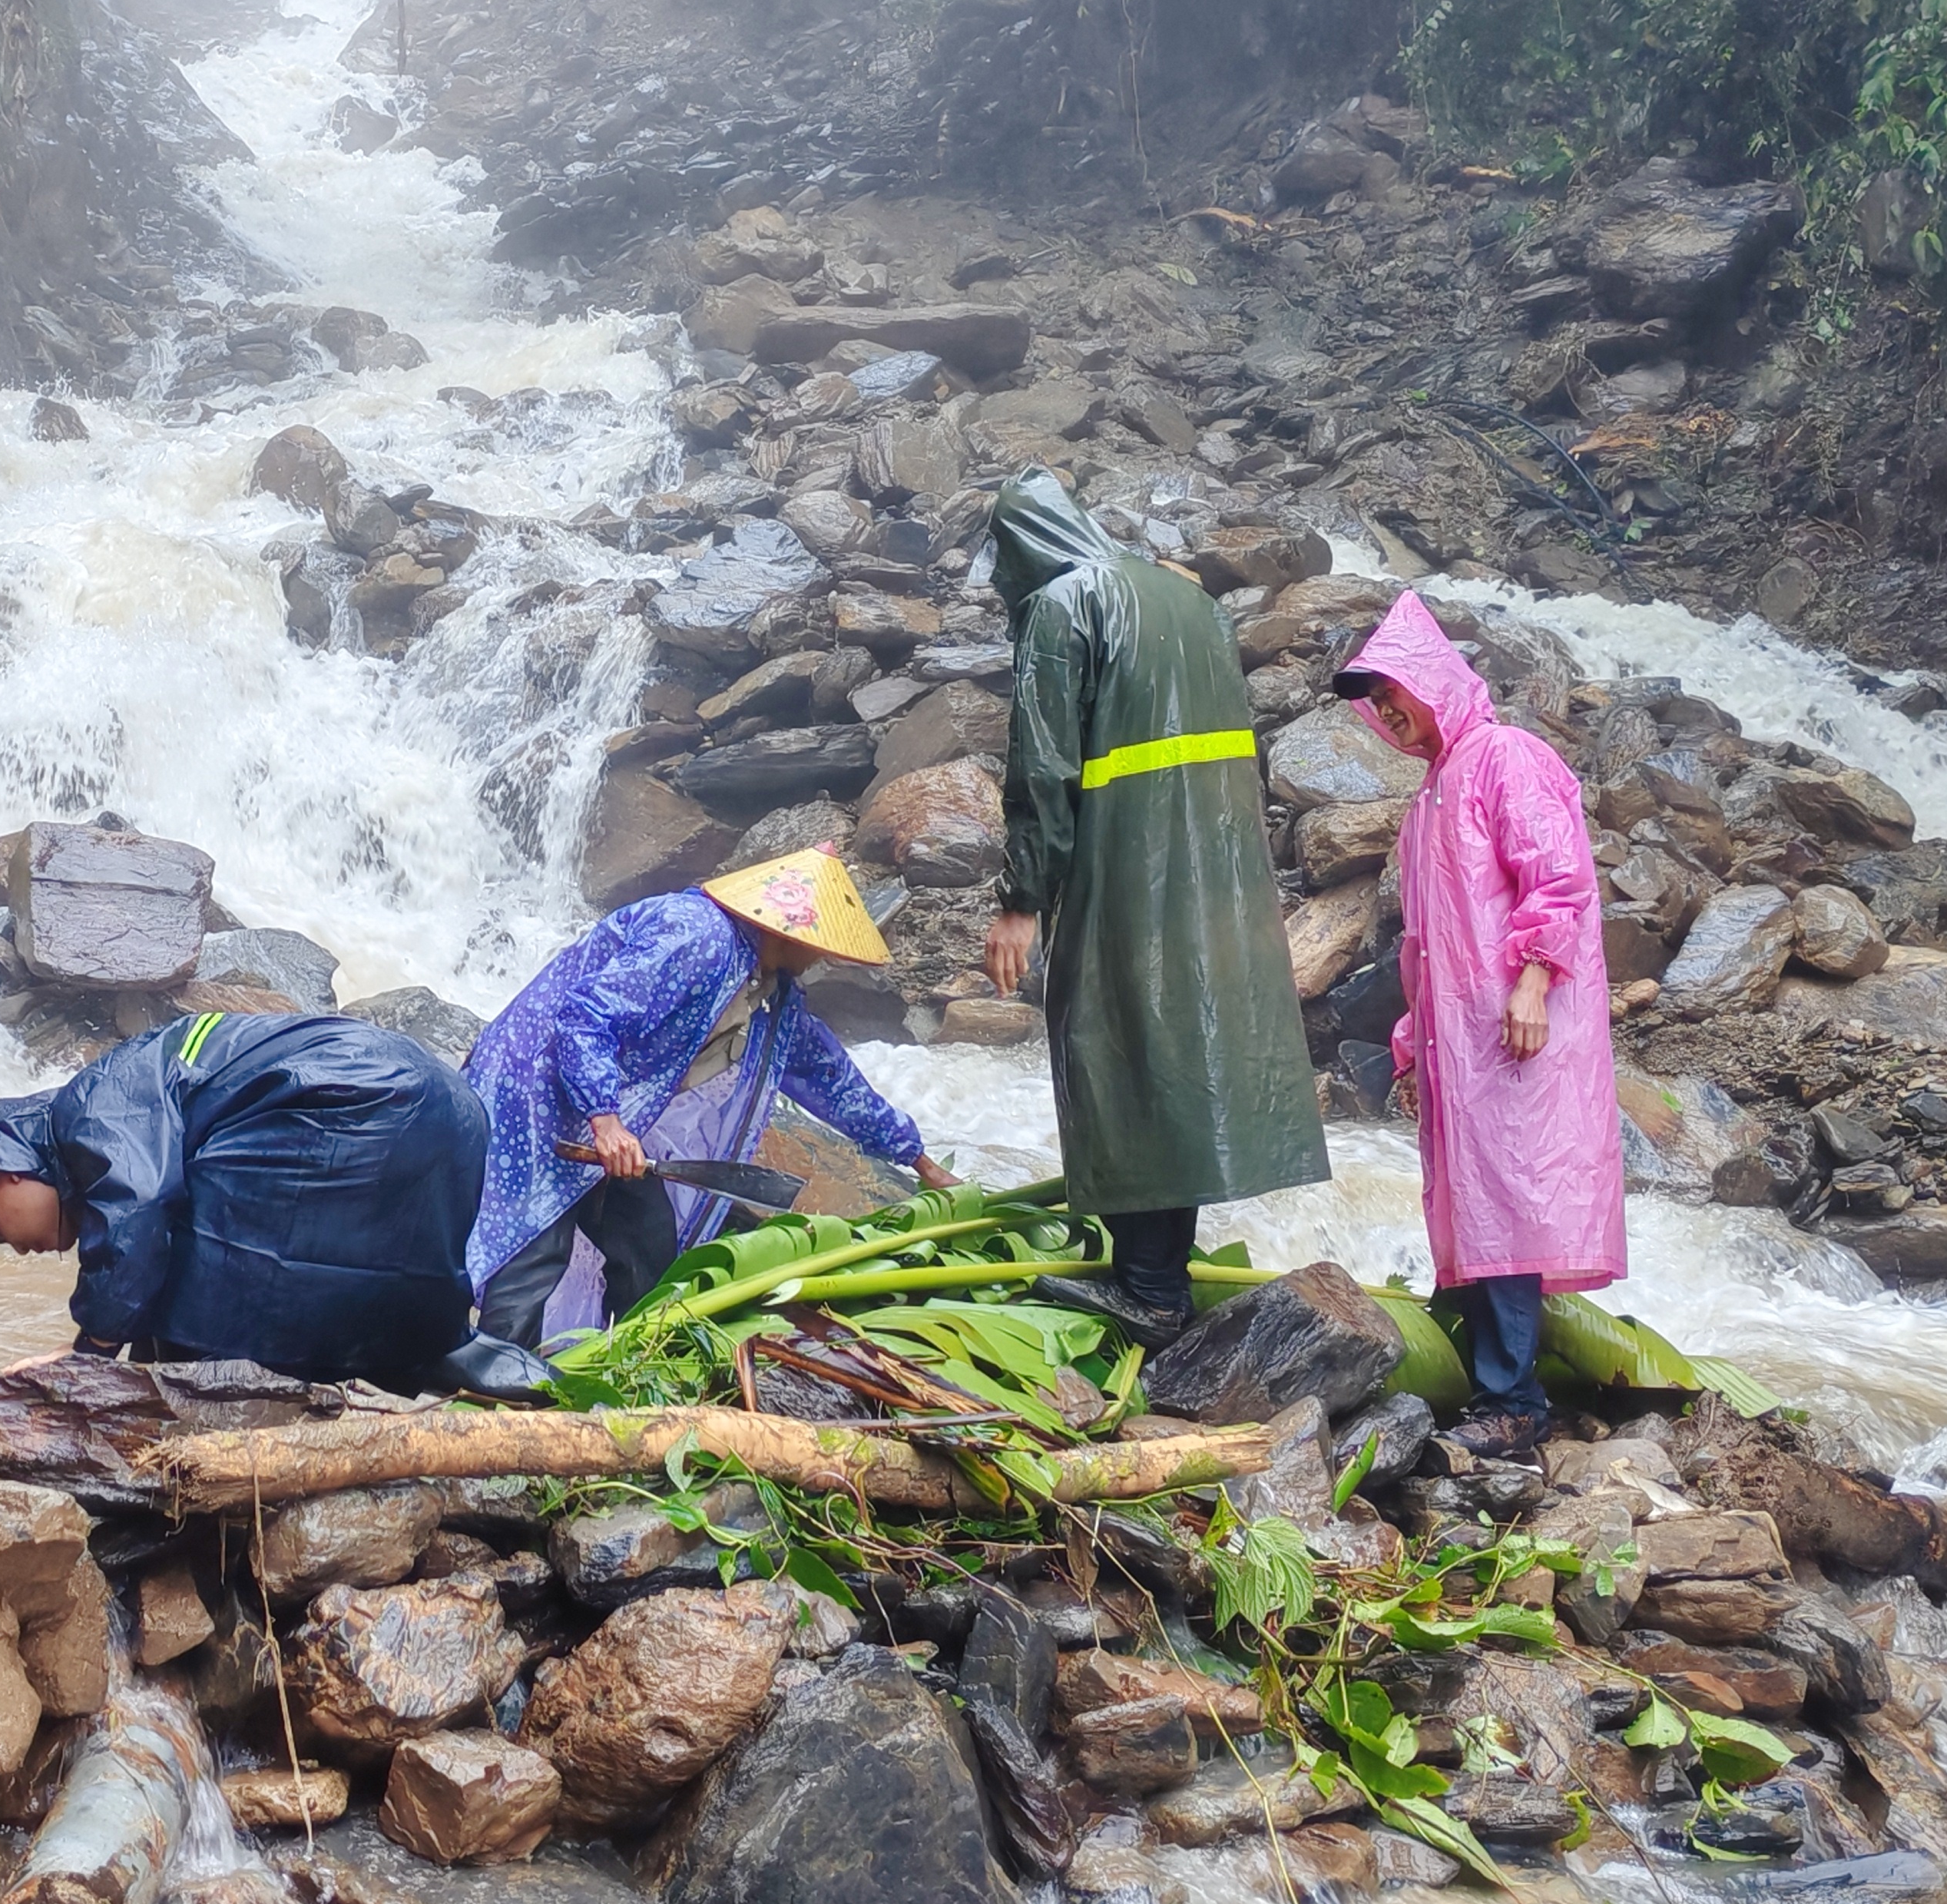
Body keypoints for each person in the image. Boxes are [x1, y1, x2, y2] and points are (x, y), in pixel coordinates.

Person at [980, 468, 1328, 1348]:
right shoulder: (1187, 602)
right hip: (1215, 863)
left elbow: (1044, 766)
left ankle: (1148, 1292)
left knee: (1118, 1046)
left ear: (1024, 546)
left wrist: (1022, 898)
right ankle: (1158, 1274)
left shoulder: (1066, 604)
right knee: (1178, 1047)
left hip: (1127, 857)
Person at [1339, 590, 1624, 1460]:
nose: (1388, 711)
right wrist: (1410, 1041)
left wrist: (1534, 983)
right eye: (1376, 701)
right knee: (1481, 1196)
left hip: (1514, 1026)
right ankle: (1494, 1376)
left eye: (1395, 691)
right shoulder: (1430, 796)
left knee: (1510, 1196)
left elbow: (1560, 880)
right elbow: (1425, 944)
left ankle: (1516, 1401)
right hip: (1464, 1037)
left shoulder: (1504, 756)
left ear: (1433, 683)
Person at [467, 846, 955, 1348]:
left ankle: (621, 1360)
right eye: (819, 944)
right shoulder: (697, 937)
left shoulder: (772, 997)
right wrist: (605, 1119)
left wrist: (919, 1160)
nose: (822, 958)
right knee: (534, 1245)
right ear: (789, 931)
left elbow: (831, 1079)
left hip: (600, 1115)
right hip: (534, 1086)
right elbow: (585, 1018)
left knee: (647, 1238)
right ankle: (495, 1392)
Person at [0, 1009, 541, 1392]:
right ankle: (508, 1380)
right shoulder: (117, 1096)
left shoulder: (92, 1106)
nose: (17, 1247)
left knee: (171, 1240)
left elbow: (137, 1210)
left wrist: (86, 1358)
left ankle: (209, 1414)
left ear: (8, 1170)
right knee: (390, 1315)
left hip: (359, 1103)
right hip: (446, 1107)